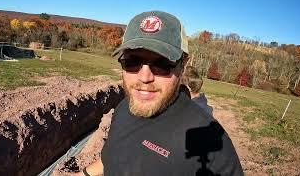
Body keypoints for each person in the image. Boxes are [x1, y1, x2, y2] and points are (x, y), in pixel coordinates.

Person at [75, 10, 243, 176]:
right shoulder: (124, 108)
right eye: (132, 62)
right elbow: (112, 158)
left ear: (183, 65)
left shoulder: (209, 143)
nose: (144, 77)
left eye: (162, 64)